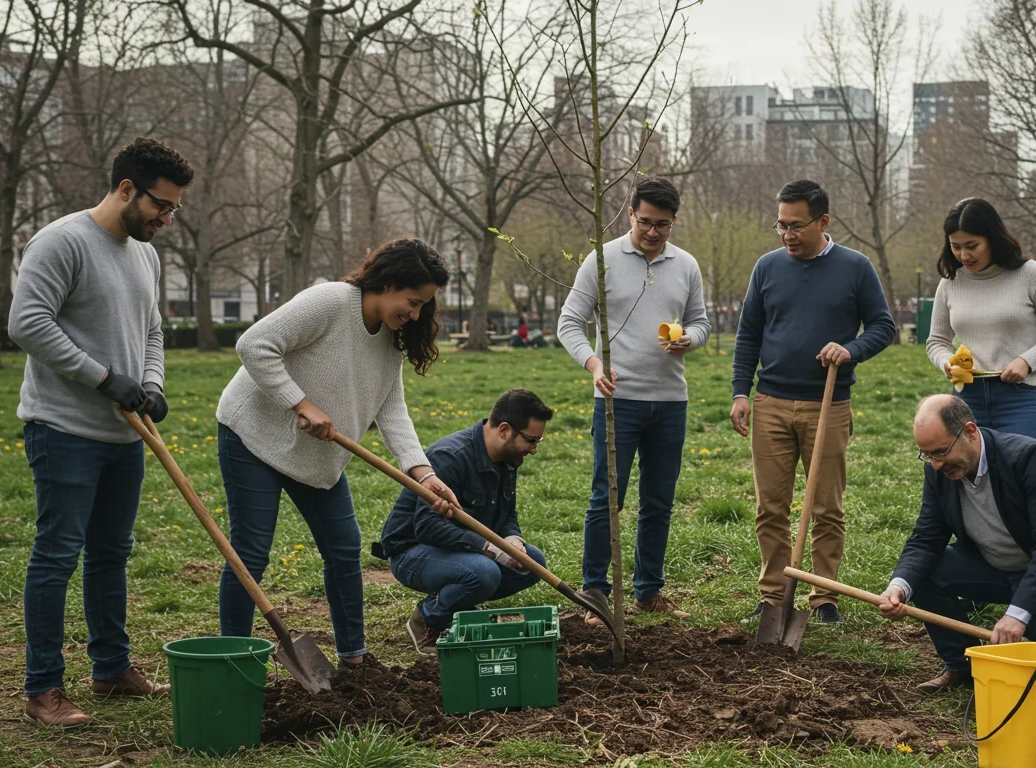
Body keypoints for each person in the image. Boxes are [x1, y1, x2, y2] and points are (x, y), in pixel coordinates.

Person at [8, 137, 193, 726]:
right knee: (58, 554)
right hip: (63, 428)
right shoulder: (62, 242)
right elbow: (27, 323)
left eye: (173, 210)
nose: (166, 219)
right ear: (125, 189)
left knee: (112, 554)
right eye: (160, 206)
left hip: (124, 436)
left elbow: (153, 331)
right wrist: (104, 378)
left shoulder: (145, 253)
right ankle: (43, 690)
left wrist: (153, 384)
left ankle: (111, 669)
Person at [214, 238, 460, 668]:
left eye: (424, 306)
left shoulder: (391, 338)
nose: (416, 314)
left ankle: (355, 658)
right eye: (413, 301)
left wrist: (422, 473)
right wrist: (300, 402)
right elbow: (254, 344)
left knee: (344, 549)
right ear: (387, 282)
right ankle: (231, 659)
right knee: (250, 550)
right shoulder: (330, 301)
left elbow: (391, 406)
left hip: (317, 456)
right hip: (253, 436)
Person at [731, 179, 897, 626]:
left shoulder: (856, 268)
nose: (787, 234)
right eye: (780, 225)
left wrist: (850, 350)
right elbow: (748, 334)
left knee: (825, 507)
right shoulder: (767, 268)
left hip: (829, 404)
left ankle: (824, 597)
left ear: (823, 221)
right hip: (771, 401)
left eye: (796, 225)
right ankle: (772, 596)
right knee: (771, 507)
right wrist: (740, 392)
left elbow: (884, 327)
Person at [558, 177, 710, 622]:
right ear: (630, 215)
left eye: (662, 225)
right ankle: (595, 593)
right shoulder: (601, 260)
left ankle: (649, 590)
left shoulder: (686, 265)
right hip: (616, 400)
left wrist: (690, 340)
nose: (652, 232)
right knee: (607, 497)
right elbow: (570, 322)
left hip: (670, 401)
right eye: (645, 222)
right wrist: (594, 365)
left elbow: (700, 322)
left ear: (674, 221)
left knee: (659, 500)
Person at [878, 395, 1036, 693]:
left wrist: (1017, 614)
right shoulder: (937, 471)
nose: (936, 463)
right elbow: (927, 537)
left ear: (969, 431)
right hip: (990, 565)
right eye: (926, 455)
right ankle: (963, 666)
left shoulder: (1028, 458)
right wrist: (899, 586)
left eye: (941, 452)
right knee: (921, 577)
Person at [378, 388, 554, 651]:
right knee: (483, 573)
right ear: (504, 430)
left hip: (460, 550)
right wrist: (492, 550)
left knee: (532, 562)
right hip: (412, 552)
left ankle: (459, 605)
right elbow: (427, 526)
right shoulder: (450, 457)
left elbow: (508, 514)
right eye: (531, 440)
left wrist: (512, 540)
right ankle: (428, 615)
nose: (534, 450)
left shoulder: (508, 459)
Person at [925, 199, 1036, 445]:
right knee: (971, 476)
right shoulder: (950, 282)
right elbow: (936, 341)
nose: (964, 255)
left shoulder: (1030, 274)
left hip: (1021, 395)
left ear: (992, 238)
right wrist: (947, 364)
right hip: (967, 398)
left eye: (972, 245)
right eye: (955, 246)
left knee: (1025, 474)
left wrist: (1026, 361)